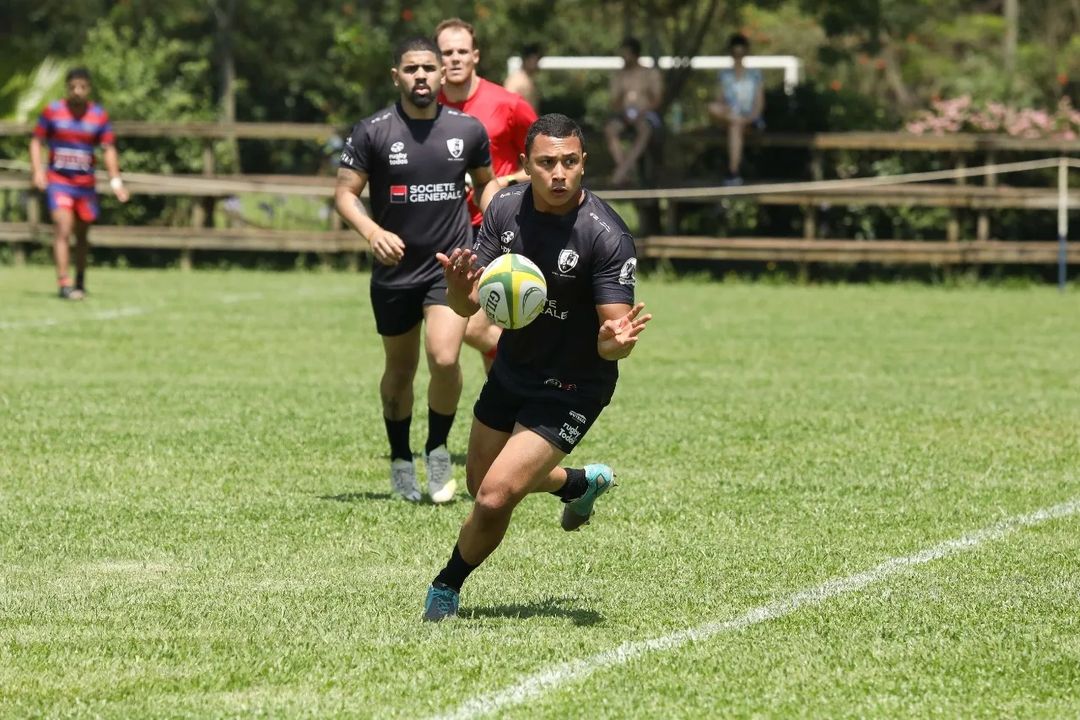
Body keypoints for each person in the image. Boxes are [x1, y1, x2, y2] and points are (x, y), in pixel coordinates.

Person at [423, 113, 653, 622]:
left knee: (494, 495)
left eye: (570, 161)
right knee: (483, 482)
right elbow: (467, 308)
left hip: (573, 386)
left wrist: (615, 341)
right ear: (525, 164)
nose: (559, 173)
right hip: (513, 369)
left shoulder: (606, 235)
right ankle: (576, 483)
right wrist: (461, 288)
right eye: (547, 162)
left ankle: (445, 586)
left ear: (583, 163)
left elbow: (614, 342)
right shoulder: (505, 207)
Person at [335, 36, 498, 504]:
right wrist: (371, 233)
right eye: (412, 69)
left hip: (449, 267)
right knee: (400, 370)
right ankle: (401, 459)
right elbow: (345, 194)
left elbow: (487, 188)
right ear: (397, 76)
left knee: (445, 358)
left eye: (429, 67)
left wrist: (496, 230)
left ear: (443, 74)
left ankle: (437, 449)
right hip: (394, 271)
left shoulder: (468, 130)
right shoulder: (373, 131)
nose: (422, 76)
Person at [435, 18, 539, 374]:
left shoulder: (508, 104)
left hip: (492, 226)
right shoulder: (425, 107)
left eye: (462, 51)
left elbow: (543, 159)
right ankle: (509, 404)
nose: (454, 58)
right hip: (442, 231)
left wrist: (505, 180)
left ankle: (535, 372)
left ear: (475, 55)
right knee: (483, 331)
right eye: (446, 52)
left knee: (476, 324)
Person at [29, 67, 129, 300]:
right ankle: (64, 283)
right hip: (59, 181)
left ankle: (80, 279)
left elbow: (108, 148)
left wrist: (116, 181)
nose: (77, 91)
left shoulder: (98, 115)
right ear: (67, 87)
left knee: (82, 234)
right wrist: (37, 171)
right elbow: (36, 141)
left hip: (85, 186)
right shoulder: (53, 112)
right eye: (73, 87)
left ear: (89, 88)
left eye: (82, 87)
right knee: (62, 228)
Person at [604, 37, 663, 187]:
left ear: (635, 54)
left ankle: (621, 171)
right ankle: (626, 170)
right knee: (610, 130)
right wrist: (623, 106)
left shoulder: (650, 73)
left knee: (644, 130)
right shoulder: (619, 75)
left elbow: (657, 100)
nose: (623, 57)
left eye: (626, 53)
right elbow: (614, 102)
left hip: (645, 115)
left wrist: (641, 111)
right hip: (624, 115)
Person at [707, 33, 765, 186]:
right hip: (730, 116)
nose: (737, 57)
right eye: (735, 53)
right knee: (717, 111)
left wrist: (748, 119)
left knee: (735, 127)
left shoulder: (754, 74)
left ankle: (733, 171)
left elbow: (759, 104)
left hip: (749, 120)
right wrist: (727, 112)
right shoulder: (724, 74)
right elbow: (718, 102)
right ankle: (733, 172)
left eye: (741, 53)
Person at [503, 43, 542, 110]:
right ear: (527, 60)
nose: (537, 64)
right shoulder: (515, 80)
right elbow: (509, 105)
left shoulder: (529, 80)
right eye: (535, 60)